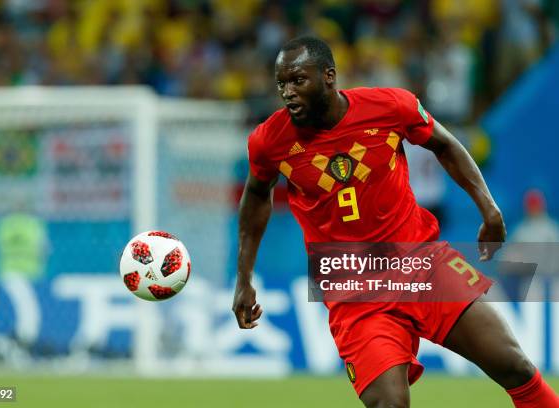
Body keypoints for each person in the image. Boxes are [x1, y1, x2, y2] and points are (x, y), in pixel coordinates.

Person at [232, 36, 559, 408]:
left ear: (329, 76)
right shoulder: (269, 141)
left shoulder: (388, 106)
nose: (287, 93)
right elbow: (256, 196)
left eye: (297, 80)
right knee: (389, 404)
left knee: (513, 365)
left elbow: (445, 144)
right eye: (281, 84)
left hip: (421, 264)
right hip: (354, 291)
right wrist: (245, 278)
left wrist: (488, 207)